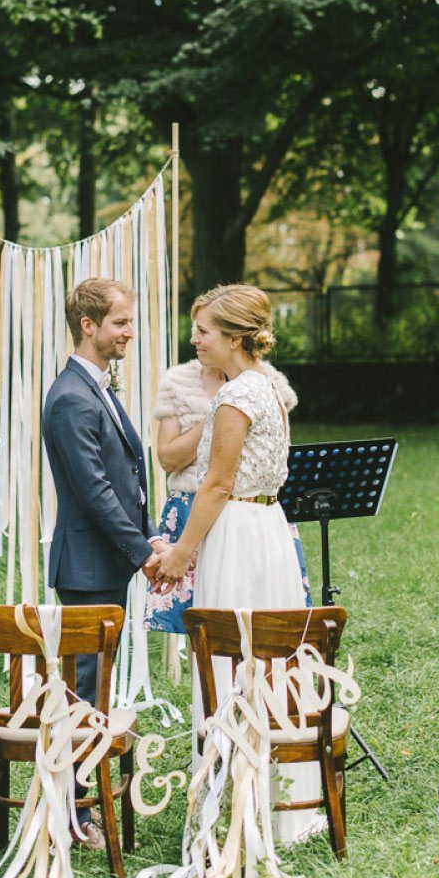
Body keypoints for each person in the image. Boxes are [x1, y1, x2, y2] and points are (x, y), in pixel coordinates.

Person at [151, 283, 321, 842]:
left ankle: (229, 798)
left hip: (237, 537)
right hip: (268, 529)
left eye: (204, 331)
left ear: (234, 337)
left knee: (230, 662)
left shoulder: (235, 398)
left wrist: (181, 553)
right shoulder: (266, 389)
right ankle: (273, 797)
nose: (195, 339)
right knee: (271, 663)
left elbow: (216, 485)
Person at [41, 276, 164, 847]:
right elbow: (93, 490)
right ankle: (71, 811)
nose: (129, 332)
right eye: (119, 323)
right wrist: (142, 552)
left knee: (97, 692)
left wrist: (148, 537)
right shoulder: (69, 396)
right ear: (88, 326)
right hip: (89, 569)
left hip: (104, 563)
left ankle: (85, 802)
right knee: (83, 694)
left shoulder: (97, 388)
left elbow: (123, 475)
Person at [146, 349, 312, 634]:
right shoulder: (179, 383)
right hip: (194, 505)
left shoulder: (266, 383)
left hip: (244, 513)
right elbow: (168, 459)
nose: (195, 339)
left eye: (203, 330)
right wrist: (217, 418)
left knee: (246, 619)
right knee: (208, 621)